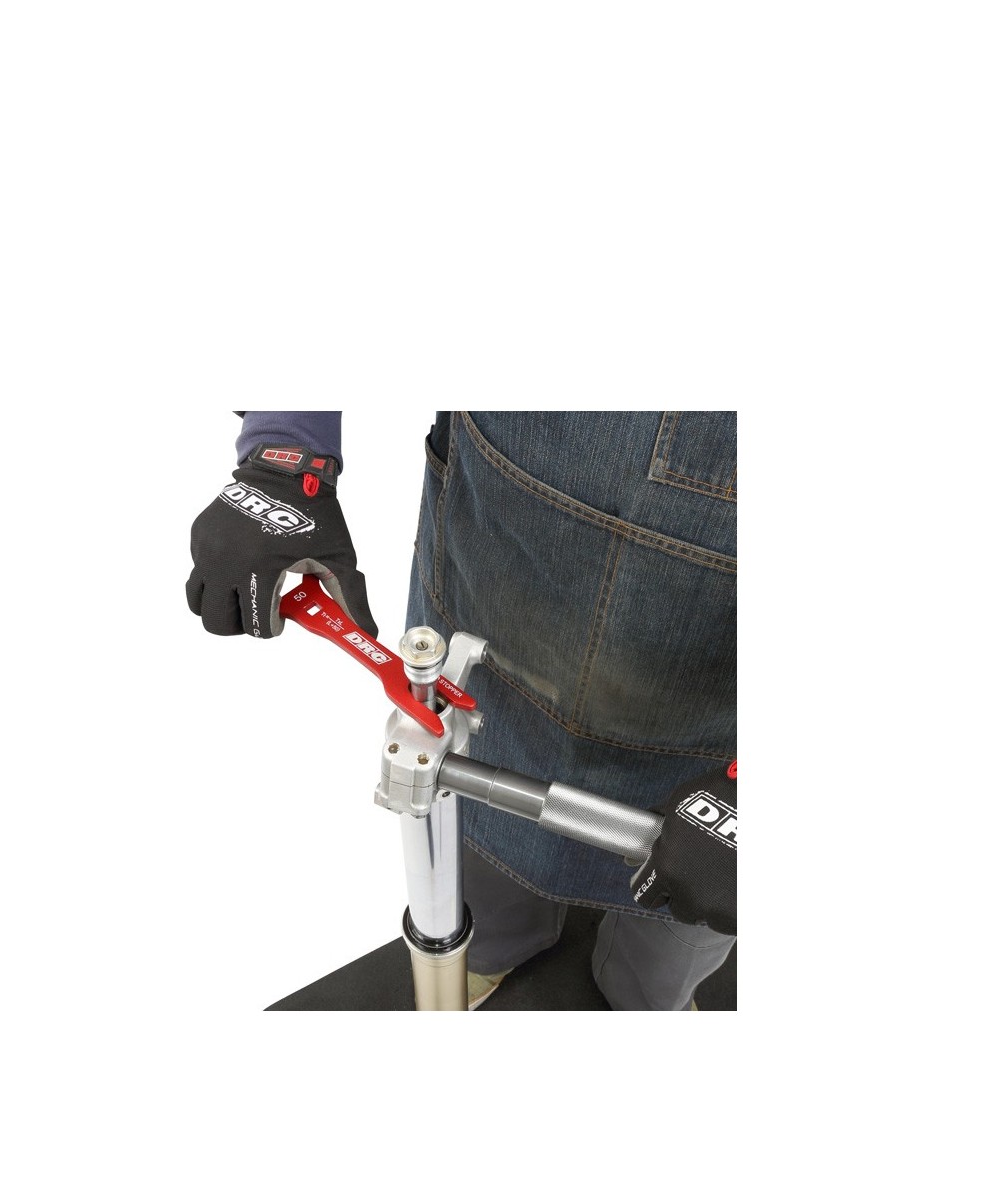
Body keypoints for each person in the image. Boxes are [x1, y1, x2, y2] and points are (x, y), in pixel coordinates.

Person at [187, 411, 736, 1010]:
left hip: (711, 721)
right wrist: (288, 450)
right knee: (483, 877)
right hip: (499, 553)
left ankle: (648, 1002)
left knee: (676, 934)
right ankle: (488, 955)